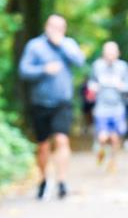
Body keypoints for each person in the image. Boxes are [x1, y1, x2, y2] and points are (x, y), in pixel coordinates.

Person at [18, 14, 86, 200]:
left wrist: (61, 44)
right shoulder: (34, 46)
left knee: (62, 140)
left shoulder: (68, 44)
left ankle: (62, 181)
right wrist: (43, 69)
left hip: (63, 102)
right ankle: (43, 180)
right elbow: (23, 70)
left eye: (59, 27)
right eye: (52, 26)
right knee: (43, 145)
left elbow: (80, 62)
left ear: (64, 29)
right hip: (40, 103)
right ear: (46, 27)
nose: (55, 30)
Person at [87, 41, 128, 171]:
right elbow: (90, 83)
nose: (110, 55)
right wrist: (93, 88)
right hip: (101, 107)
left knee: (115, 136)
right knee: (103, 137)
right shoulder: (97, 66)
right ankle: (101, 151)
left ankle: (113, 161)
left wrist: (122, 86)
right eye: (107, 53)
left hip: (118, 107)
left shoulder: (123, 67)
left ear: (118, 53)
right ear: (103, 54)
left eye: (113, 53)